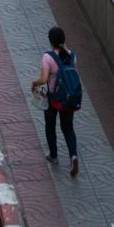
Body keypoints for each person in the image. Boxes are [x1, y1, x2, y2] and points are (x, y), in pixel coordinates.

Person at [31, 26, 82, 176]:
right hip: (68, 98)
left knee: (50, 126)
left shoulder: (48, 57)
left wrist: (34, 83)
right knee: (68, 128)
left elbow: (44, 79)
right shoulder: (72, 55)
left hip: (53, 99)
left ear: (50, 41)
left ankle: (53, 155)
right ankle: (73, 155)